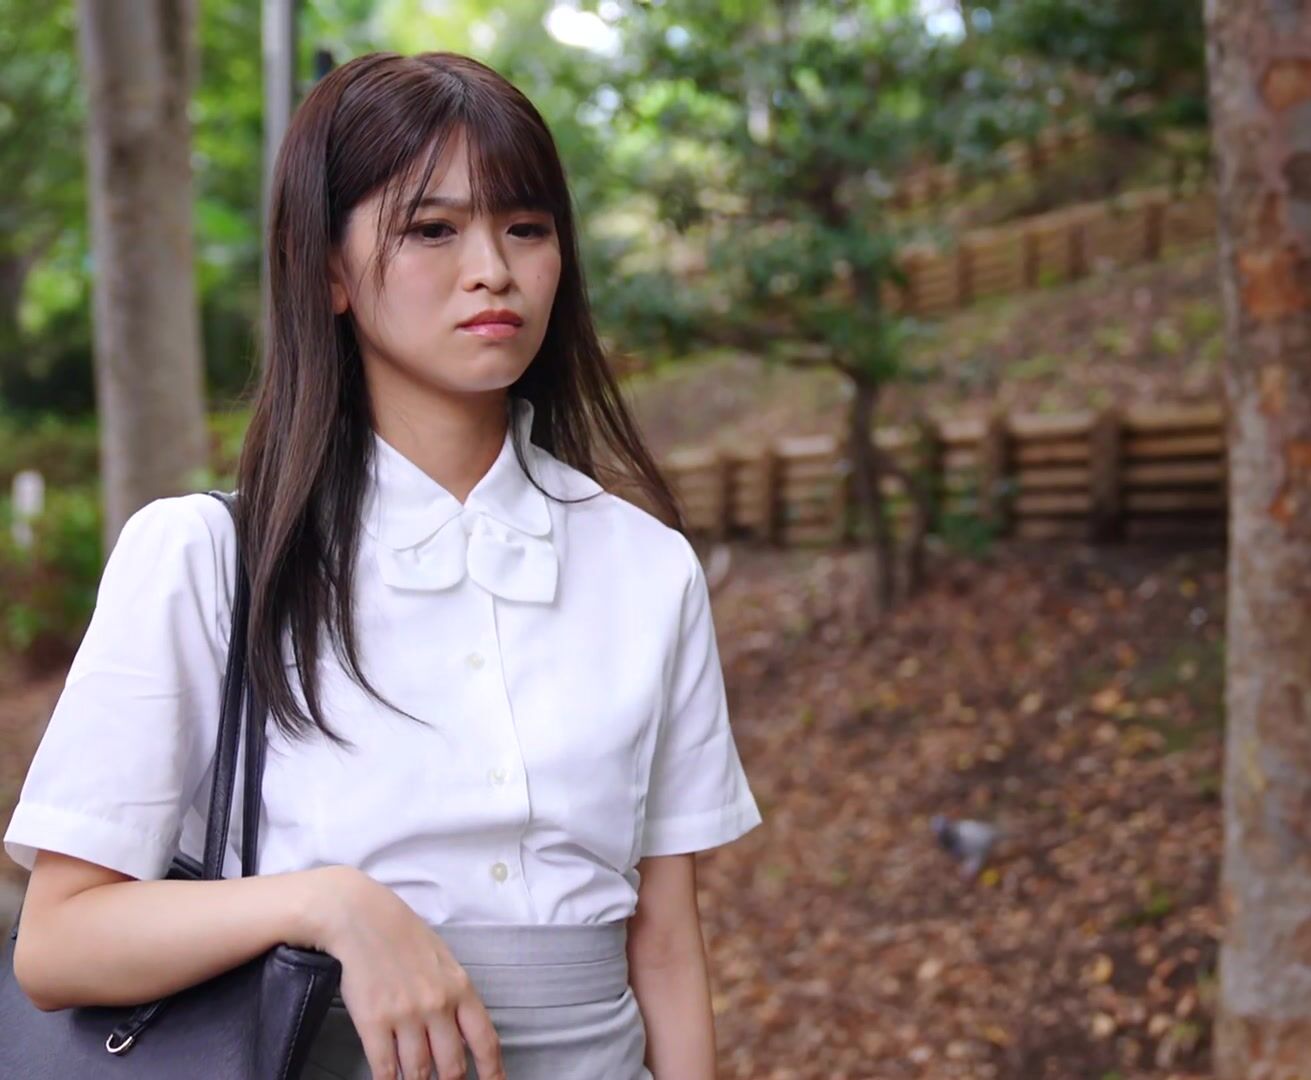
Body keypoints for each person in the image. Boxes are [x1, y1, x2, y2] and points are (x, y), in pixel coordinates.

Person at [3, 50, 763, 1080]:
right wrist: (330, 905)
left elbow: (665, 942)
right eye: (432, 229)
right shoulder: (207, 559)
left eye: (526, 227)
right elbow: (57, 944)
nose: (492, 269)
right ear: (327, 270)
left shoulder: (647, 567)